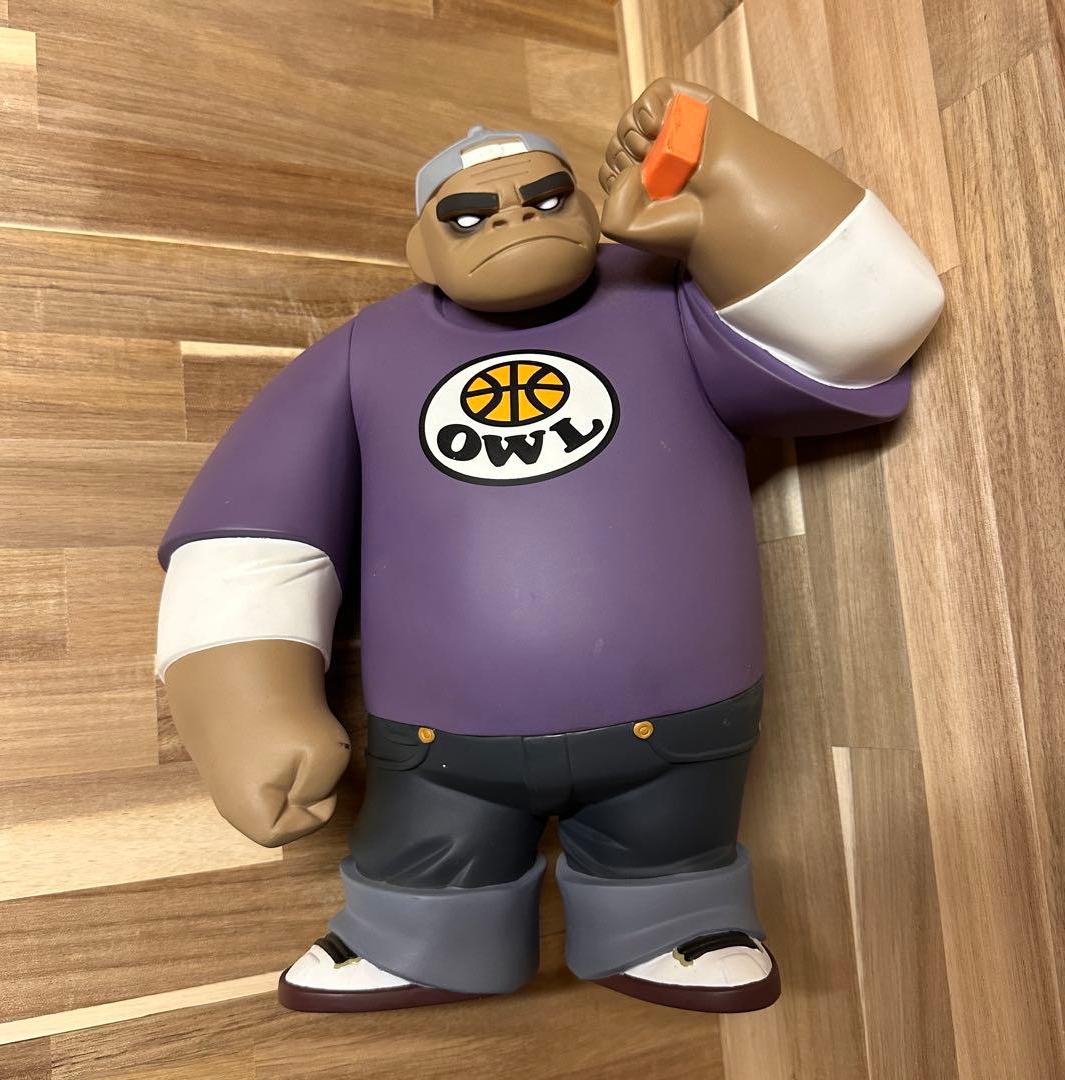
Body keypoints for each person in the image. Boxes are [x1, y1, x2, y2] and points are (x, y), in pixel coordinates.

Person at [156, 78, 943, 1013]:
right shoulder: (365, 356)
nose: (514, 218)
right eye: (470, 214)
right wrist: (248, 711)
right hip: (441, 743)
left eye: (546, 196)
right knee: (429, 840)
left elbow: (867, 324)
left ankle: (675, 921)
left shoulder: (668, 301)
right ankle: (414, 932)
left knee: (673, 836)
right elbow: (254, 529)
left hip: (683, 723)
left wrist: (731, 185)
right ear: (420, 250)